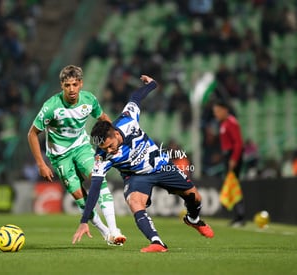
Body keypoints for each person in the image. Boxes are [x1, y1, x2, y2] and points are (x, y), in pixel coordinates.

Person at [72, 75, 214, 253]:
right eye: (103, 148)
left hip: (161, 166)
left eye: (109, 146)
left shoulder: (128, 120)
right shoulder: (102, 157)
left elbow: (136, 98)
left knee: (195, 198)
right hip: (136, 176)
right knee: (134, 202)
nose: (108, 151)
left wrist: (152, 84)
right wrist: (84, 221)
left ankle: (193, 220)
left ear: (115, 134)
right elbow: (94, 188)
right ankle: (157, 243)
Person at [27, 65, 126, 246]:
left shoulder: (89, 100)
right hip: (59, 157)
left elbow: (103, 118)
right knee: (81, 198)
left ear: (81, 83)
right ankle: (105, 232)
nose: (71, 89)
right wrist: (41, 164)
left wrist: (114, 139)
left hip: (81, 147)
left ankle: (114, 230)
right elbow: (32, 134)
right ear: (62, 86)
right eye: (67, 85)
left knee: (98, 179)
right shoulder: (51, 107)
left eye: (74, 84)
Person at [212, 100, 246, 227]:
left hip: (232, 156)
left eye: (217, 111)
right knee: (231, 186)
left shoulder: (231, 123)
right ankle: (237, 216)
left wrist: (234, 159)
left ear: (225, 110)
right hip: (228, 156)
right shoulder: (224, 123)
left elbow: (238, 143)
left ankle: (240, 217)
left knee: (234, 185)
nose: (216, 114)